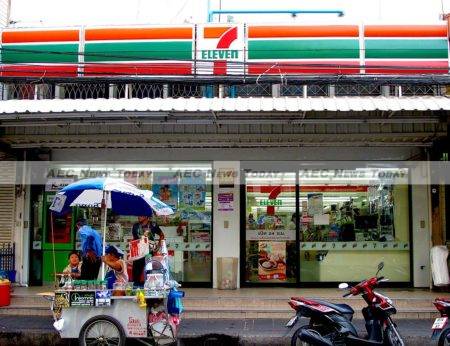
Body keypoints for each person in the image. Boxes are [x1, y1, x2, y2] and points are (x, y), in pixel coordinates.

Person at [131, 215, 165, 287]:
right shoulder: (135, 226)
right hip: (138, 252)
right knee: (136, 271)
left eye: (141, 215)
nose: (138, 216)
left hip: (149, 252)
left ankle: (150, 287)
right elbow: (134, 239)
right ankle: (136, 287)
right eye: (138, 214)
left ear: (146, 216)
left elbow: (162, 235)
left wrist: (158, 246)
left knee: (149, 270)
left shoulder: (153, 225)